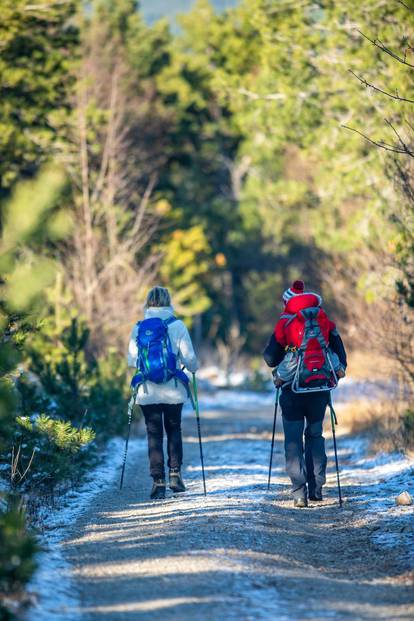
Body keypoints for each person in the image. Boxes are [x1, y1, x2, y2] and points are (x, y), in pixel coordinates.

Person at [263, 280, 347, 508]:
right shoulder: (323, 318)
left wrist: (285, 352)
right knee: (315, 435)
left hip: (292, 390)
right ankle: (317, 487)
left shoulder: (285, 322)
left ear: (286, 301)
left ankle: (299, 493)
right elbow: (340, 352)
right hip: (319, 388)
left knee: (293, 440)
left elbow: (270, 358)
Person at [127, 286, 198, 500]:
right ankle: (175, 474)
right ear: (169, 301)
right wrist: (191, 368)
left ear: (148, 303)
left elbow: (131, 362)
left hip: (147, 392)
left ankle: (158, 481)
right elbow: (191, 360)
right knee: (174, 429)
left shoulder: (138, 327)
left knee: (153, 433)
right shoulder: (177, 325)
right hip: (173, 390)